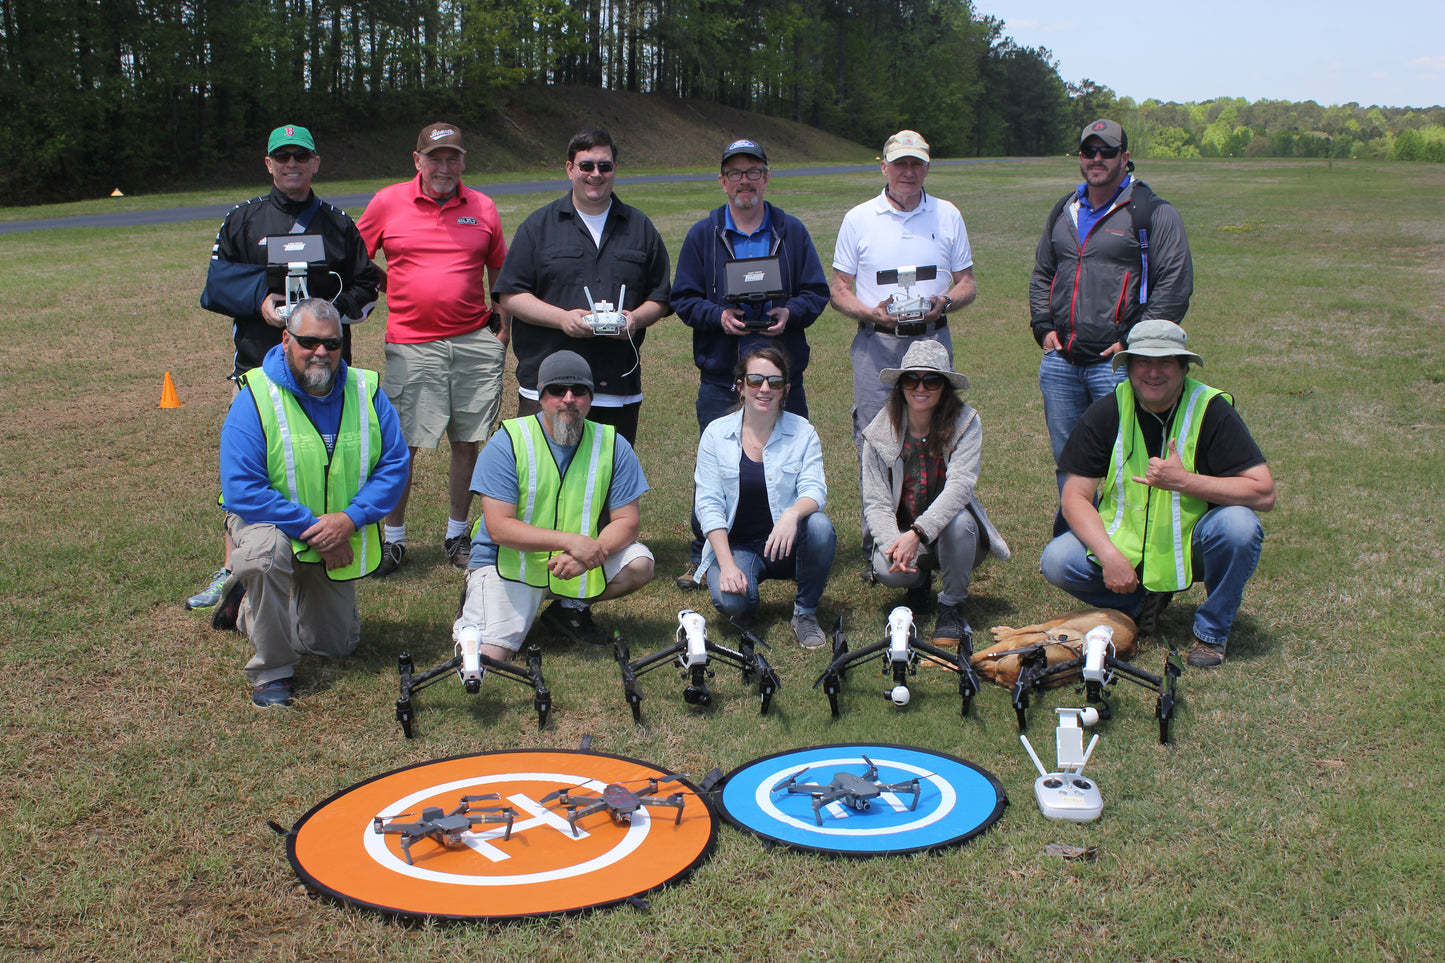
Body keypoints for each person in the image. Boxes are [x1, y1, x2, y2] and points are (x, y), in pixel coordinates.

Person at [191, 123, 381, 611]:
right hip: (258, 370)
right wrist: (262, 300)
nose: (292, 165)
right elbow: (216, 283)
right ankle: (233, 570)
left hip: (324, 377)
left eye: (301, 156)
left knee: (321, 466)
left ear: (315, 162)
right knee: (247, 472)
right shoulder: (242, 220)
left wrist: (332, 312)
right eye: (283, 157)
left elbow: (366, 284)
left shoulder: (338, 223)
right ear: (268, 164)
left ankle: (319, 557)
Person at [1039, 320, 1275, 668]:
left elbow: (1263, 493)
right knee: (1057, 561)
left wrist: (1184, 481)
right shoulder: (1107, 411)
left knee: (1240, 526)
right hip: (1127, 543)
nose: (1153, 372)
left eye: (1165, 362)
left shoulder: (1211, 409)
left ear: (1183, 368)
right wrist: (1109, 556)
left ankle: (1211, 633)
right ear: (1128, 367)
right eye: (1142, 362)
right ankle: (1141, 603)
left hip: (1193, 543)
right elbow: (1075, 496)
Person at [219, 299, 410, 707]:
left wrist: (349, 519)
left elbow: (394, 464)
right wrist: (316, 528)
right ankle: (273, 673)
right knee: (266, 555)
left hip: (335, 530)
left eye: (332, 344)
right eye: (309, 342)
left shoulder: (366, 391)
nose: (321, 352)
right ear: (286, 340)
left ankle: (246, 608)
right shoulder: (254, 396)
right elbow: (241, 489)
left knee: (334, 646)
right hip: (269, 523)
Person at [671, 138, 830, 589]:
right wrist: (717, 316)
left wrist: (790, 312)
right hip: (722, 375)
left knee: (788, 460)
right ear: (723, 182)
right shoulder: (704, 235)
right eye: (736, 173)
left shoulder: (790, 231)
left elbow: (816, 292)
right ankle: (705, 556)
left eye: (754, 172)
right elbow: (683, 298)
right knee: (716, 468)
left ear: (766, 178)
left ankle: (793, 550)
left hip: (780, 379)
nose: (745, 181)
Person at [356, 122, 510, 577]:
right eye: (435, 158)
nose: (444, 167)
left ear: (462, 161)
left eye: (452, 158)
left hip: (474, 341)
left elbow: (500, 271)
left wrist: (501, 330)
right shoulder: (387, 202)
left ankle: (457, 534)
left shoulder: (482, 207)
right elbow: (355, 256)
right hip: (412, 344)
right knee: (405, 445)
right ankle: (394, 540)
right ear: (417, 160)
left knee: (467, 440)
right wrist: (393, 285)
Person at [1030, 119, 1194, 503]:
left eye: (1107, 151)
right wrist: (1043, 326)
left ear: (1125, 156)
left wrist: (1133, 343)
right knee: (1070, 462)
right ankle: (1076, 532)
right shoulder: (1065, 209)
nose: (1097, 158)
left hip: (1117, 363)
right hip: (1061, 361)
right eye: (1090, 150)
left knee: (1130, 460)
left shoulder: (1150, 212)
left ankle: (1129, 533)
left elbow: (1174, 285)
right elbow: (1043, 272)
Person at [454, 351, 654, 659]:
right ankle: (480, 594)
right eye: (557, 390)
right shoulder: (508, 442)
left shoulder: (613, 444)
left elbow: (627, 521)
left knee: (639, 563)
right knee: (487, 658)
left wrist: (587, 555)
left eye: (579, 390)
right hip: (509, 563)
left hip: (572, 561)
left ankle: (569, 609)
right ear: (541, 395)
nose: (568, 399)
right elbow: (499, 528)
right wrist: (573, 543)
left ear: (591, 397)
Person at [494, 128, 670, 445]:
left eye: (605, 166)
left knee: (609, 473)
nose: (596, 174)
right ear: (570, 169)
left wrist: (634, 319)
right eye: (586, 165)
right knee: (542, 472)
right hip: (548, 387)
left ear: (615, 169)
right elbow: (510, 294)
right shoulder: (538, 226)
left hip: (616, 386)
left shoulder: (639, 227)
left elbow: (660, 296)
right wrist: (561, 319)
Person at [830, 129, 976, 452]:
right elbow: (838, 289)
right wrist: (871, 313)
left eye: (916, 164)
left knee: (937, 435)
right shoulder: (858, 218)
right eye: (900, 164)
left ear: (927, 167)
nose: (908, 172)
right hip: (876, 344)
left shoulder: (948, 215)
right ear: (884, 167)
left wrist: (945, 302)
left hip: (932, 340)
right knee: (874, 439)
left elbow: (967, 283)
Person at [860, 340, 1010, 647]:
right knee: (888, 570)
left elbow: (960, 488)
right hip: (903, 533)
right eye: (911, 380)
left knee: (960, 523)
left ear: (945, 387)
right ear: (900, 385)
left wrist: (918, 533)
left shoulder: (966, 422)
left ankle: (951, 607)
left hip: (953, 535)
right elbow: (876, 502)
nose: (920, 388)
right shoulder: (878, 432)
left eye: (931, 380)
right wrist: (894, 544)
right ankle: (917, 583)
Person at [693, 348, 836, 648]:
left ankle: (805, 612)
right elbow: (708, 504)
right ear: (741, 386)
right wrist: (727, 564)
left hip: (786, 542)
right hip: (738, 545)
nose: (765, 388)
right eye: (756, 380)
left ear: (786, 389)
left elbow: (814, 490)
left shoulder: (803, 432)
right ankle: (747, 600)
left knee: (820, 527)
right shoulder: (716, 435)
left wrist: (791, 515)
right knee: (732, 603)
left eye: (775, 381)